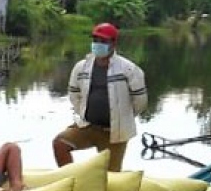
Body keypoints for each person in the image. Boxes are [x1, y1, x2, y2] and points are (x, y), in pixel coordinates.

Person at [54, 22, 147, 171]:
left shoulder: (129, 69)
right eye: (95, 40)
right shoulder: (81, 67)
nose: (98, 44)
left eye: (103, 41)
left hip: (115, 132)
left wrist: (123, 116)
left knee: (111, 177)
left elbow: (140, 102)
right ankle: (73, 182)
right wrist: (83, 112)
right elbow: (74, 93)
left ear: (113, 43)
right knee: (60, 144)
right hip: (88, 126)